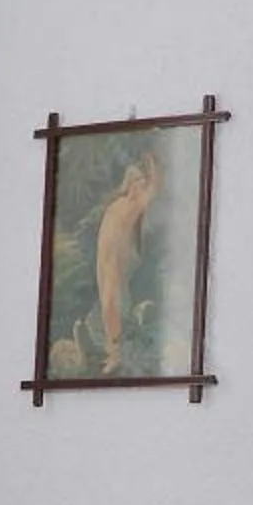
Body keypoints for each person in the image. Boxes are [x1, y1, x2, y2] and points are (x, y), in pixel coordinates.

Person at [93, 145, 163, 375]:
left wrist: (151, 164)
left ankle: (115, 354)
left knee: (112, 303)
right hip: (104, 259)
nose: (141, 184)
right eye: (138, 180)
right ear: (130, 182)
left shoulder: (137, 204)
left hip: (116, 260)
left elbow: (155, 187)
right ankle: (112, 351)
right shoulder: (118, 202)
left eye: (143, 180)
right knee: (106, 303)